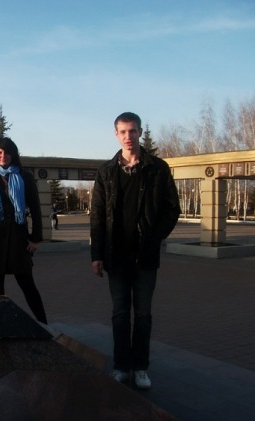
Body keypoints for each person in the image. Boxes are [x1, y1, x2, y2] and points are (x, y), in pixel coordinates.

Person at [90, 112, 180, 390]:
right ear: (116, 135)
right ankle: (121, 366)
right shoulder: (106, 172)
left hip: (145, 256)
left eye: (132, 131)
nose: (128, 136)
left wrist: (154, 237)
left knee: (142, 315)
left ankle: (140, 367)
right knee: (119, 314)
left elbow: (172, 209)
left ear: (140, 132)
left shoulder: (157, 169)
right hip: (116, 256)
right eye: (123, 132)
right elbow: (97, 216)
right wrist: (96, 255)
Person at [0, 137, 48, 324]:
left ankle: (44, 325)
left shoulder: (25, 177)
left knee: (27, 284)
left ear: (13, 154)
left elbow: (35, 209)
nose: (3, 156)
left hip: (17, 240)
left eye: (6, 152)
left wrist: (36, 238)